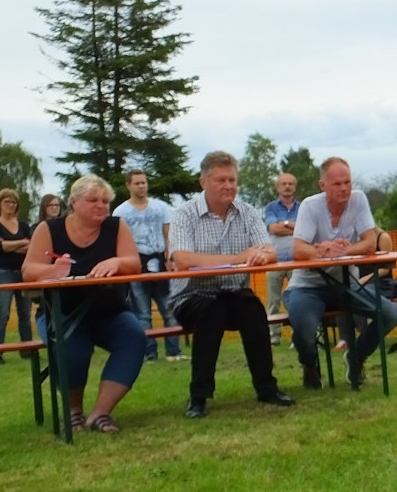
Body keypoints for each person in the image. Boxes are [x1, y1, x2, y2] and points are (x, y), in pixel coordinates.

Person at [168, 151, 294, 418]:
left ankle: (267, 388)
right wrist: (239, 257)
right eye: (221, 180)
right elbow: (182, 259)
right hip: (191, 295)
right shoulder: (184, 214)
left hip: (234, 291)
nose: (228, 186)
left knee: (253, 308)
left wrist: (263, 255)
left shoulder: (247, 212)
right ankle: (199, 396)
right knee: (210, 311)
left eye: (232, 180)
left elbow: (269, 251)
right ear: (203, 182)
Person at [22, 175, 146, 434]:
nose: (101, 205)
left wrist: (117, 263)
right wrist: (52, 271)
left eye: (105, 201)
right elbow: (28, 270)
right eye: (93, 200)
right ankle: (73, 411)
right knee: (72, 347)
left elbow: (133, 263)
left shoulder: (116, 226)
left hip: (108, 312)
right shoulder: (49, 229)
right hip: (60, 311)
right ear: (74, 202)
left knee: (134, 337)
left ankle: (100, 414)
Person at [283, 156, 397, 389]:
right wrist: (320, 251)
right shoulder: (309, 205)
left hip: (346, 283)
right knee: (304, 327)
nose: (344, 188)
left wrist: (344, 250)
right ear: (322, 185)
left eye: (347, 182)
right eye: (337, 184)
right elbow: (297, 249)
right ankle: (309, 364)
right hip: (307, 286)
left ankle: (356, 357)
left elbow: (370, 243)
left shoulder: (359, 200)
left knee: (391, 314)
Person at [112, 169, 185, 362]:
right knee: (142, 314)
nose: (141, 186)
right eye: (137, 183)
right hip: (138, 265)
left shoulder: (161, 207)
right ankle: (149, 352)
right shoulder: (120, 212)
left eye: (144, 182)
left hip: (160, 261)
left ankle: (173, 351)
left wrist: (170, 259)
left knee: (169, 309)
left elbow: (168, 233)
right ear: (128, 185)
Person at [0, 188, 33, 362]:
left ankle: (27, 349)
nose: (10, 205)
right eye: (6, 202)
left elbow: (31, 247)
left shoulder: (23, 226)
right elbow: (0, 248)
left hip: (22, 272)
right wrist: (21, 242)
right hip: (2, 273)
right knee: (2, 313)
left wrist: (9, 244)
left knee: (25, 313)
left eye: (13, 202)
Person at [263, 172, 300, 345]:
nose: (287, 187)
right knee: (273, 301)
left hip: (297, 261)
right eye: (283, 183)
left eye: (290, 184)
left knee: (297, 300)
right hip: (274, 261)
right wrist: (292, 226)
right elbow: (272, 229)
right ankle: (274, 335)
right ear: (278, 187)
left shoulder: (303, 207)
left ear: (295, 186)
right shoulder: (270, 208)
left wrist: (283, 224)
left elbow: (304, 229)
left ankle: (297, 334)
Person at [32, 194, 64, 342]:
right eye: (51, 205)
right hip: (44, 271)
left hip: (62, 271)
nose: (54, 208)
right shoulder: (37, 228)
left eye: (57, 205)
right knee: (45, 305)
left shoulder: (65, 226)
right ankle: (49, 338)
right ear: (44, 208)